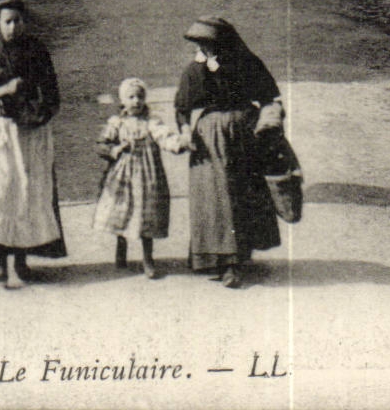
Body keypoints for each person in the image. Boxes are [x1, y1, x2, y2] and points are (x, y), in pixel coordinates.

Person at [173, 16, 282, 288]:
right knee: (214, 197)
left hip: (246, 132)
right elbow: (182, 108)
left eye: (209, 44)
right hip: (210, 138)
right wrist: (185, 133)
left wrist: (269, 123)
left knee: (241, 192)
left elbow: (270, 98)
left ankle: (238, 256)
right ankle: (217, 260)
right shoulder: (195, 70)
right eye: (201, 44)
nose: (204, 49)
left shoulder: (247, 63)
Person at [0, 0, 67, 285]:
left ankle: (21, 260)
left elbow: (52, 93)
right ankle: (0, 261)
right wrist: (3, 90)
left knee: (28, 192)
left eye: (18, 21)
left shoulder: (37, 50)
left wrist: (40, 114)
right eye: (7, 22)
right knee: (3, 191)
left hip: (31, 132)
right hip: (1, 130)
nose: (13, 27)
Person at [93, 77, 172, 278]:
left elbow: (164, 136)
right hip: (123, 175)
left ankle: (148, 259)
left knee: (147, 213)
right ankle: (121, 250)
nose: (136, 101)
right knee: (123, 210)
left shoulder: (152, 122)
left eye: (140, 97)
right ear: (123, 100)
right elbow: (101, 145)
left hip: (148, 174)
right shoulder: (117, 122)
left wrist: (178, 143)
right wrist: (116, 149)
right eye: (131, 97)